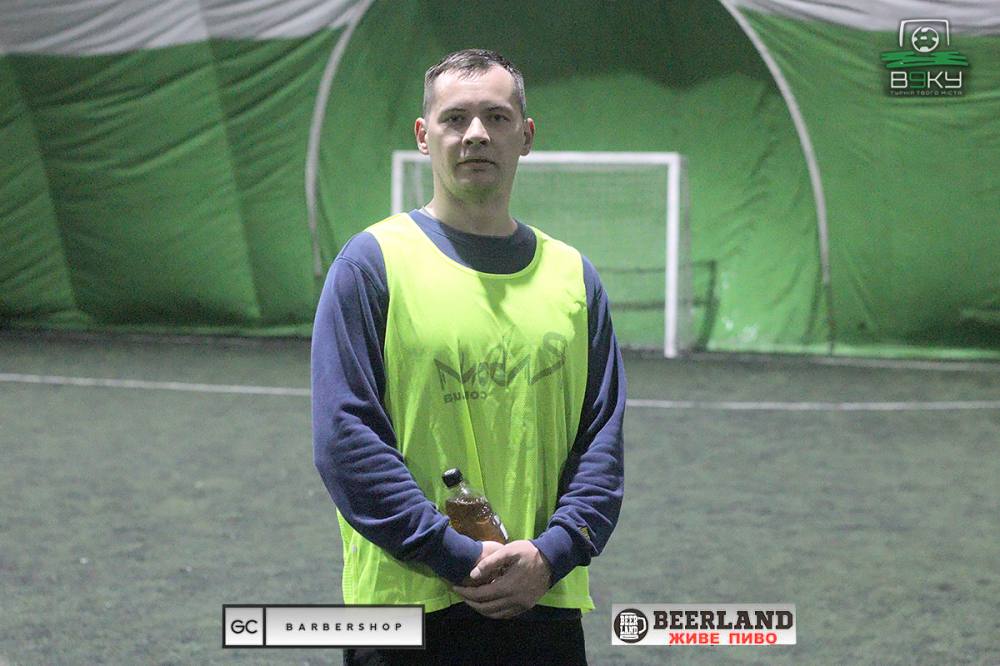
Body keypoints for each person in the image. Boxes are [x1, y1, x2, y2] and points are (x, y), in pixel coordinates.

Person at [311, 49, 626, 666]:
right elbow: (346, 442)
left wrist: (553, 552)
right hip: (403, 613)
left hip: (542, 600)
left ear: (525, 136)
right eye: (455, 118)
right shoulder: (370, 265)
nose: (476, 133)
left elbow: (601, 444)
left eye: (496, 117)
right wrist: (454, 555)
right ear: (423, 135)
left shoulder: (574, 278)